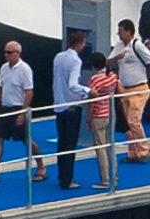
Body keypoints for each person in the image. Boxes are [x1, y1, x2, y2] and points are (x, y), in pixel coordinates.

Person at [0, 41, 47, 184]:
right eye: (5, 52)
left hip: (18, 108)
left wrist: (22, 113)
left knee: (26, 140)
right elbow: (1, 89)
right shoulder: (4, 68)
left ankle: (41, 167)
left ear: (18, 53)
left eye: (9, 52)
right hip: (5, 108)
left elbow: (29, 93)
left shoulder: (25, 69)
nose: (6, 55)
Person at [53, 31, 98, 190]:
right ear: (80, 43)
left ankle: (62, 176)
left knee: (62, 143)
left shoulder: (58, 57)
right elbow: (72, 84)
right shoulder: (75, 60)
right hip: (71, 107)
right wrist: (88, 91)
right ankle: (67, 180)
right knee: (70, 144)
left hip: (59, 106)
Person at [107, 19, 150, 163]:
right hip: (124, 88)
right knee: (127, 123)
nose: (118, 34)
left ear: (128, 31)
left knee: (133, 120)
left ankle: (143, 151)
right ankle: (133, 152)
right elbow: (108, 62)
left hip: (138, 88)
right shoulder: (119, 46)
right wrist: (117, 58)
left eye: (120, 31)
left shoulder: (137, 46)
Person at [87, 52, 118, 188]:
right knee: (109, 145)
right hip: (110, 114)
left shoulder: (95, 80)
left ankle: (105, 180)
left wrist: (88, 119)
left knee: (100, 148)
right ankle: (114, 175)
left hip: (98, 116)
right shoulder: (112, 76)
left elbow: (92, 101)